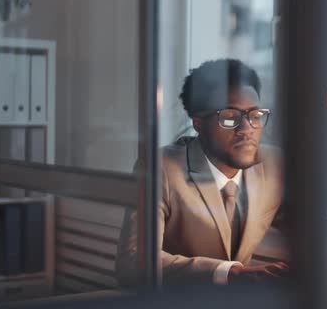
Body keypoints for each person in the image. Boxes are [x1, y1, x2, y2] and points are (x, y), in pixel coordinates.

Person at [116, 59, 287, 286]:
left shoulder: (273, 164)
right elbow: (133, 262)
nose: (246, 129)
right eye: (229, 117)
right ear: (198, 123)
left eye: (255, 116)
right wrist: (229, 273)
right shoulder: (160, 168)